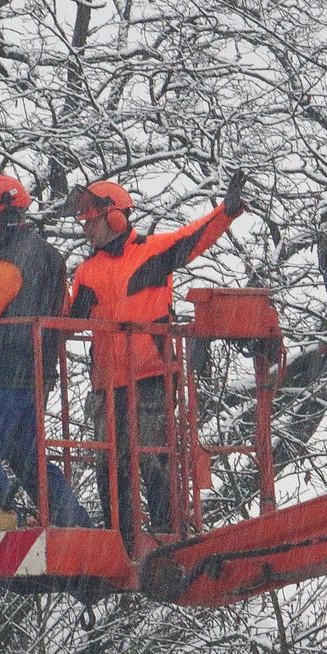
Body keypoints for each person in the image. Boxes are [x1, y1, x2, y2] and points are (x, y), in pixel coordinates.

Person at [67, 172, 245, 536]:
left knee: (151, 458)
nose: (85, 229)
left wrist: (226, 211)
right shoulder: (87, 273)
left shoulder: (152, 251)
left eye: (91, 221)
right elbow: (68, 321)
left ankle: (167, 531)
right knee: (108, 463)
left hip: (151, 375)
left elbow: (194, 237)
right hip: (107, 383)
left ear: (114, 217)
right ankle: (122, 537)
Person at [0, 174, 92, 530]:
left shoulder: (8, 264)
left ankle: (3, 521)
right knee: (28, 457)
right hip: (37, 376)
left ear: (6, 216)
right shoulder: (53, 260)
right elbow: (64, 312)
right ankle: (74, 523)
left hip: (1, 374)